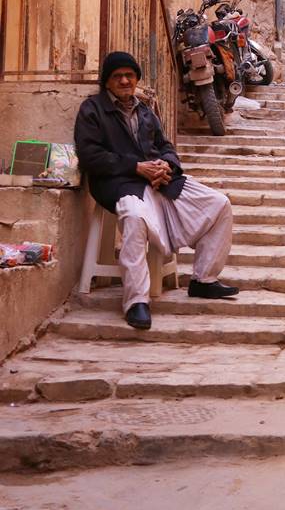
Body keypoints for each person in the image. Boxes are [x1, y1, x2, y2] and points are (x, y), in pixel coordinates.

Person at [75, 51, 238, 330]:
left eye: (130, 75)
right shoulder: (92, 110)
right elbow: (91, 156)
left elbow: (166, 146)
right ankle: (136, 300)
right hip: (121, 184)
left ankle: (204, 280)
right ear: (107, 82)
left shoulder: (146, 110)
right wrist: (137, 167)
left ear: (137, 79)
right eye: (117, 76)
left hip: (162, 182)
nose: (125, 80)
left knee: (219, 203)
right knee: (135, 218)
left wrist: (167, 165)